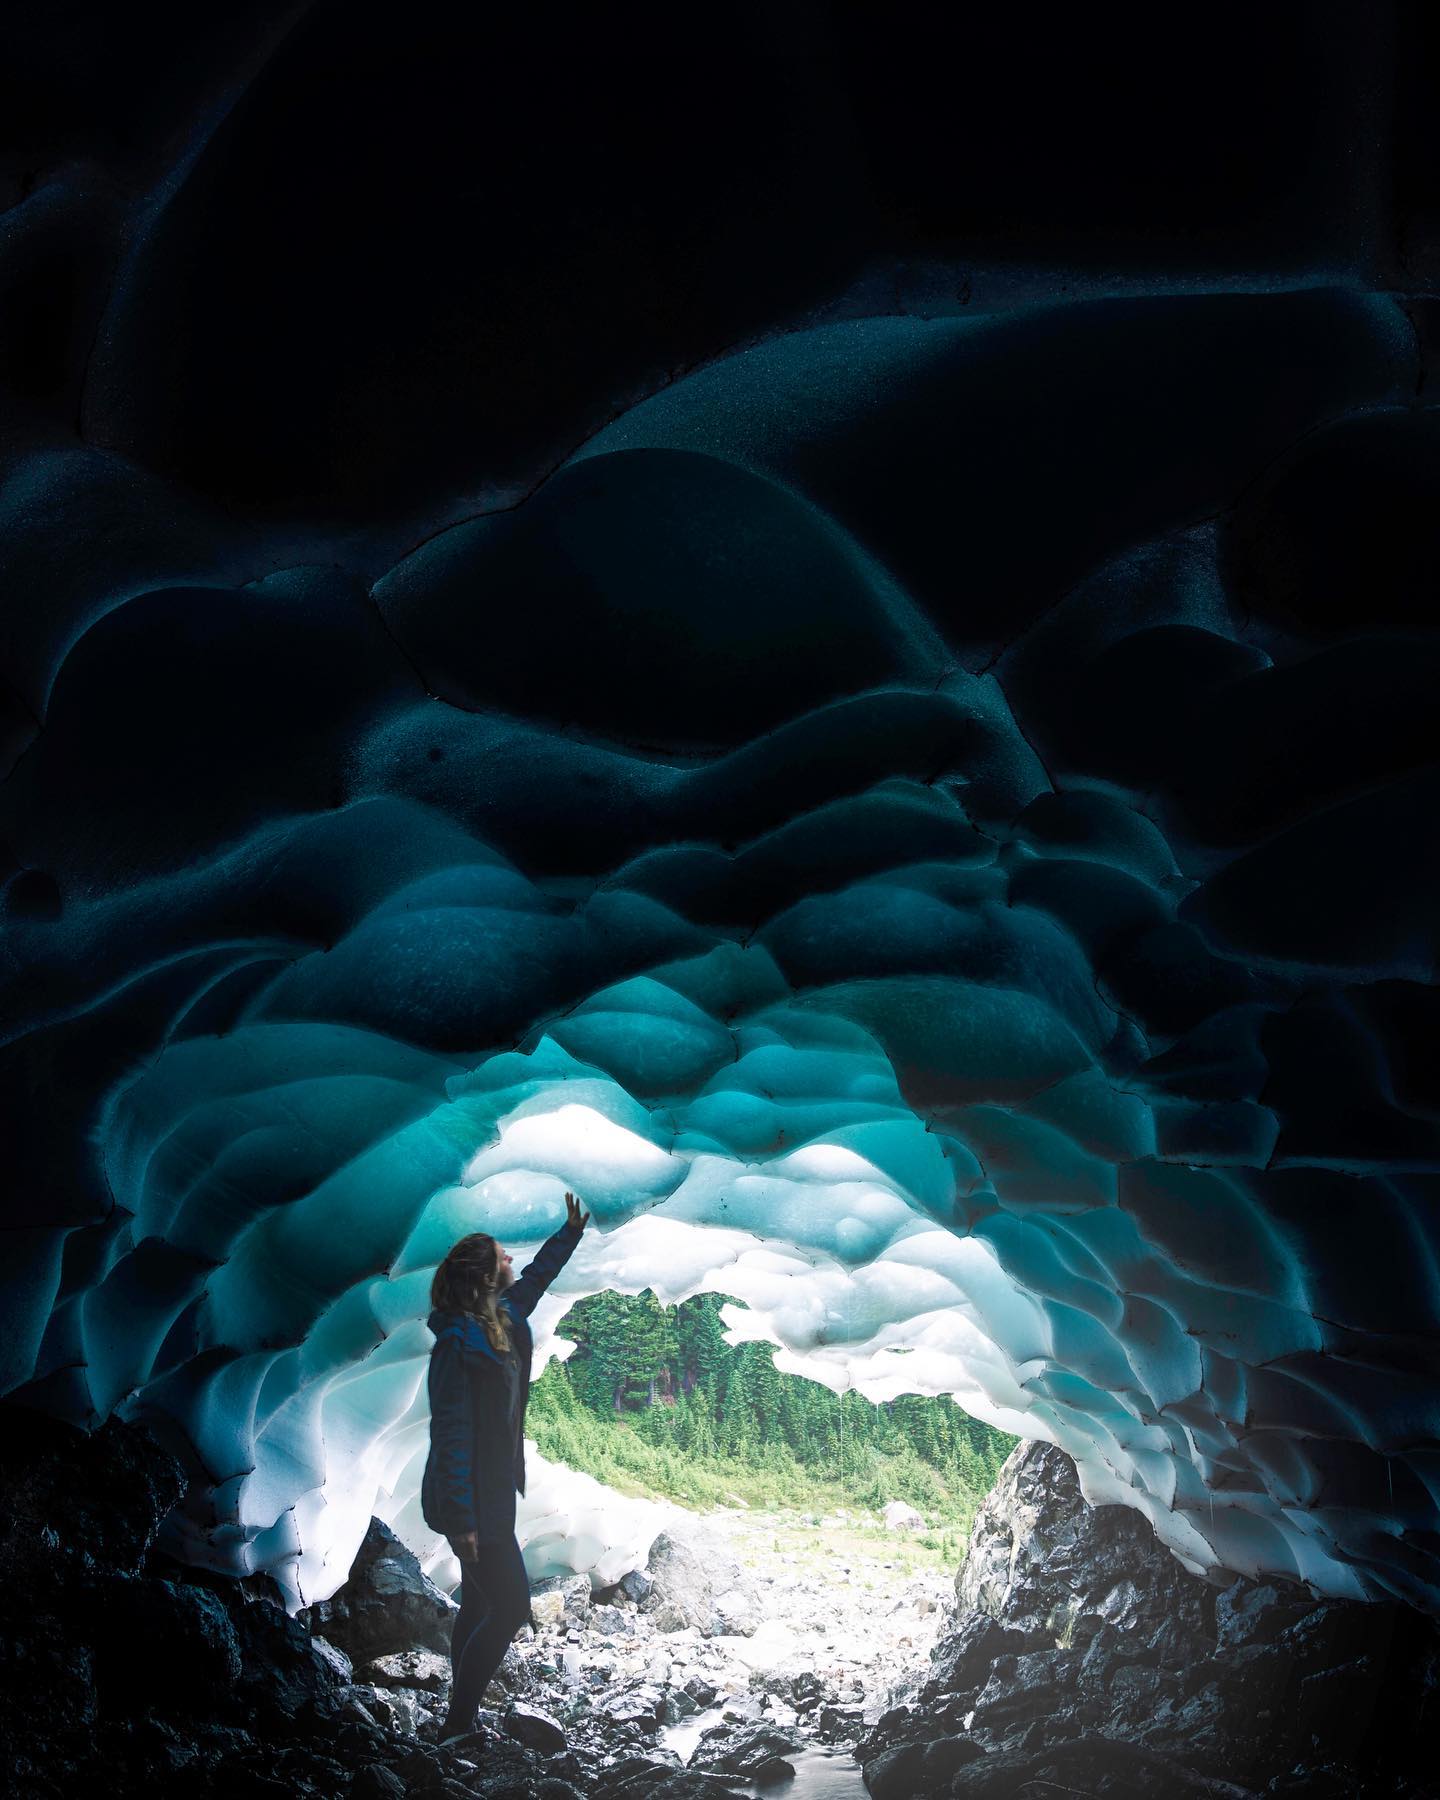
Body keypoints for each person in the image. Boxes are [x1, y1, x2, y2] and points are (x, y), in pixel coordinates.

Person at [421, 1190, 590, 1743]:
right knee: (513, 1605)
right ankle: (459, 1722)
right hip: (469, 1497)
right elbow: (449, 1431)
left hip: (494, 1489)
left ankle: (456, 1720)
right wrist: (463, 1518)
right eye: (502, 1257)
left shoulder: (504, 1316)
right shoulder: (455, 1340)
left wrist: (570, 1233)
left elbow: (537, 1277)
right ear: (483, 1275)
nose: (511, 1262)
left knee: (479, 1600)